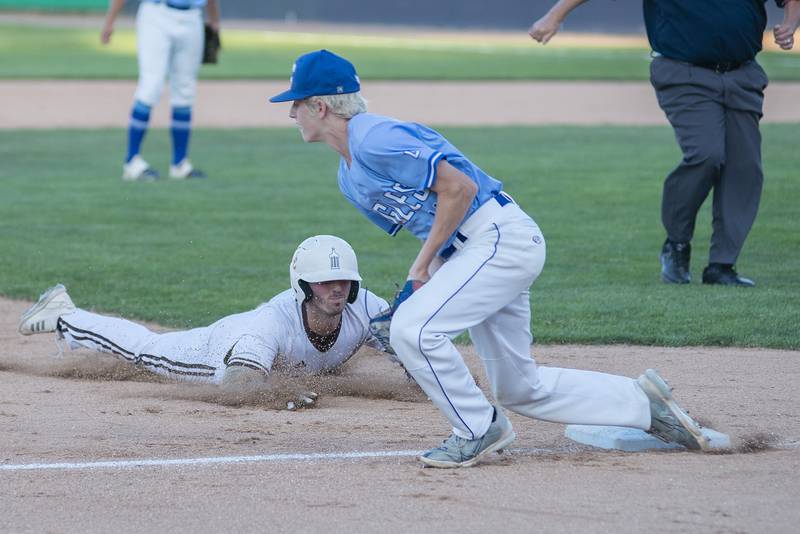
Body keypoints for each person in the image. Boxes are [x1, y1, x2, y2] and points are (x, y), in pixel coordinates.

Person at [269, 50, 712, 468]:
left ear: (321, 106)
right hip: (476, 252)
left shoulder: (376, 137)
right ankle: (643, 403)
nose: (292, 113)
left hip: (499, 238)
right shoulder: (349, 176)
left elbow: (459, 189)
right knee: (519, 388)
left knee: (414, 329)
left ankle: (477, 428)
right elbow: (437, 228)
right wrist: (424, 279)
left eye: (297, 103)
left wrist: (419, 270)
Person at [530, 0, 800, 287]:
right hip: (684, 72)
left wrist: (791, 22)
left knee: (744, 167)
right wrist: (554, 15)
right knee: (706, 154)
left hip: (743, 74)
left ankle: (722, 265)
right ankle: (677, 243)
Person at [18, 235, 392, 408]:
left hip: (250, 340)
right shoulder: (266, 328)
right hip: (217, 348)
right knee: (149, 349)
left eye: (345, 281)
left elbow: (407, 342)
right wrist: (277, 393)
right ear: (304, 286)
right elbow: (236, 385)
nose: (338, 289)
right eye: (327, 282)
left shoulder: (367, 308)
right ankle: (64, 314)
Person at [101, 0, 221, 181]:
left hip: (193, 16)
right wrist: (110, 21)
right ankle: (132, 162)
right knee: (151, 86)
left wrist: (214, 20)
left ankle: (180, 165)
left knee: (185, 90)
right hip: (157, 15)